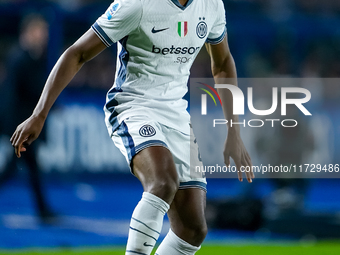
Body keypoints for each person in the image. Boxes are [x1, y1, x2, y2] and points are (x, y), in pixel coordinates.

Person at [11, 0, 254, 253]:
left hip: (176, 113)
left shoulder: (211, 5)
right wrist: (39, 114)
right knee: (163, 182)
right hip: (133, 105)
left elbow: (223, 62)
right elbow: (77, 53)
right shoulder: (137, 4)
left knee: (193, 228)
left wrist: (233, 131)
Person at [1, 14, 56, 222]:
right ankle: (43, 211)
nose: (43, 36)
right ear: (28, 32)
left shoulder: (31, 57)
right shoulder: (21, 58)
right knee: (17, 168)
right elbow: (18, 95)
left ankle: (43, 210)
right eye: (40, 31)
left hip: (23, 124)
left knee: (21, 167)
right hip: (20, 124)